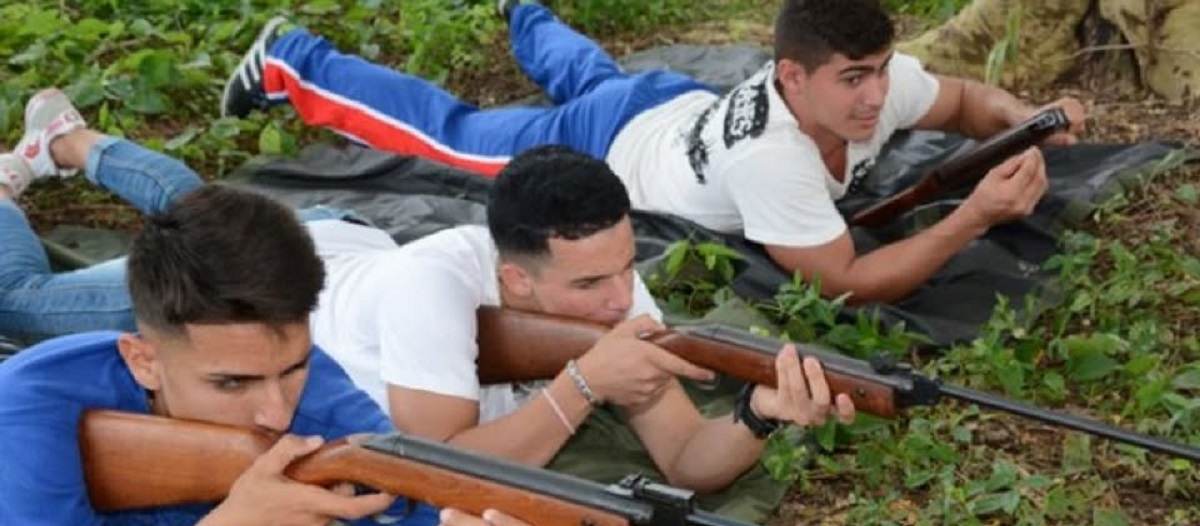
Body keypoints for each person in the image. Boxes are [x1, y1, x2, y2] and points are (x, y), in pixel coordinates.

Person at [0, 91, 536, 526]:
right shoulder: (31, 412)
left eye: (293, 368)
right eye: (232, 383)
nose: (278, 414)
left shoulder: (322, 402)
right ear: (143, 362)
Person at [220, 0, 1088, 304]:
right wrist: (974, 217)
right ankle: (294, 60)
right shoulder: (773, 161)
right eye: (852, 80)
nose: (874, 98)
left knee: (592, 75)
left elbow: (966, 101)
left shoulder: (877, 84)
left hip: (669, 103)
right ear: (792, 75)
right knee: (447, 135)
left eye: (879, 74)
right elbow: (848, 280)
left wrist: (1027, 116)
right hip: (600, 146)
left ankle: (524, 10)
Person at [307, 144, 857, 491]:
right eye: (589, 284)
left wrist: (758, 414)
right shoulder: (428, 287)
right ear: (517, 279)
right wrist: (582, 386)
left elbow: (685, 458)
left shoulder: (617, 289)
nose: (621, 299)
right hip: (289, 269)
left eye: (628, 265)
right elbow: (435, 470)